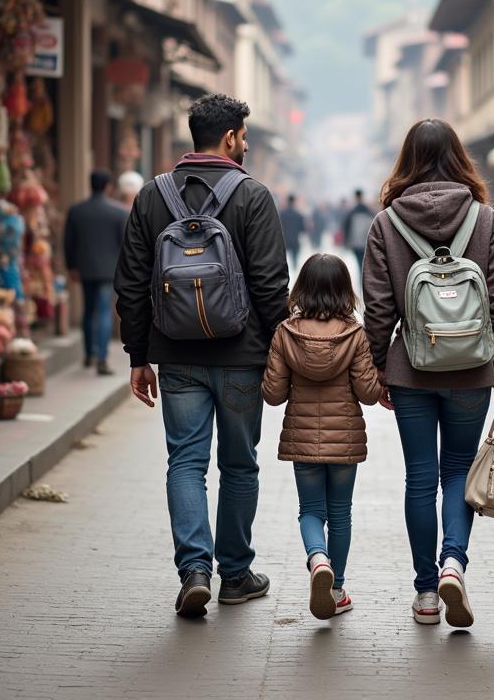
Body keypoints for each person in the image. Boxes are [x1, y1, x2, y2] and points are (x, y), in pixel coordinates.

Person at [114, 93, 289, 618]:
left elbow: (131, 283)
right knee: (239, 465)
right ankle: (234, 574)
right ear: (231, 138)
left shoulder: (151, 196)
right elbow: (270, 285)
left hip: (178, 357)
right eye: (244, 136)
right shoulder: (253, 195)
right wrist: (280, 352)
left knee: (185, 462)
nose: (247, 144)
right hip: (242, 357)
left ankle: (194, 570)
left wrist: (138, 356)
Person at [363, 119, 494, 628]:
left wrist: (379, 366)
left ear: (405, 158)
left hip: (411, 369)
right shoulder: (484, 218)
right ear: (459, 157)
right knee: (457, 471)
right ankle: (455, 561)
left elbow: (379, 306)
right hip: (472, 368)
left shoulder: (386, 224)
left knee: (419, 479)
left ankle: (427, 593)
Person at [262, 253, 383, 620]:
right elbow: (368, 393)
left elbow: (272, 394)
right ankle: (337, 587)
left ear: (303, 289)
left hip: (302, 439)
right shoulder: (355, 334)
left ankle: (317, 559)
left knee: (311, 511)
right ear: (345, 291)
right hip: (344, 440)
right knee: (341, 514)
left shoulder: (286, 333)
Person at [63, 170, 128, 375]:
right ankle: (101, 358)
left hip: (84, 269)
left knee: (88, 310)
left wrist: (71, 266)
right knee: (103, 312)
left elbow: (68, 242)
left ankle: (89, 354)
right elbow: (125, 244)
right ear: (108, 186)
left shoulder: (76, 210)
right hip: (108, 270)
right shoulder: (119, 212)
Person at [343, 190, 374, 278]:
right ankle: (364, 279)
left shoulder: (352, 212)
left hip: (355, 243)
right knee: (365, 263)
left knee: (359, 262)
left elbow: (346, 227)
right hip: (366, 242)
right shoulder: (369, 211)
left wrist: (347, 242)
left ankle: (362, 278)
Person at [280, 194, 307, 271]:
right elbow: (303, 229)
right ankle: (294, 270)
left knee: (284, 259)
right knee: (294, 259)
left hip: (284, 240)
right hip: (295, 240)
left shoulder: (282, 214)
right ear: (294, 202)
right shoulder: (298, 215)